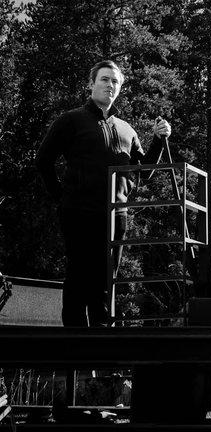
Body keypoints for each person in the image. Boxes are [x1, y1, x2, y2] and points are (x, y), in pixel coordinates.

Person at [36, 59, 172, 327]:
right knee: (79, 275)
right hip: (80, 211)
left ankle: (101, 337)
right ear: (91, 84)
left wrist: (158, 139)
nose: (110, 85)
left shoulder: (126, 129)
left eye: (116, 81)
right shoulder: (72, 120)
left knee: (108, 277)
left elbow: (145, 171)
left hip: (116, 215)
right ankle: (76, 343)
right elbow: (43, 160)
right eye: (105, 79)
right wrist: (61, 198)